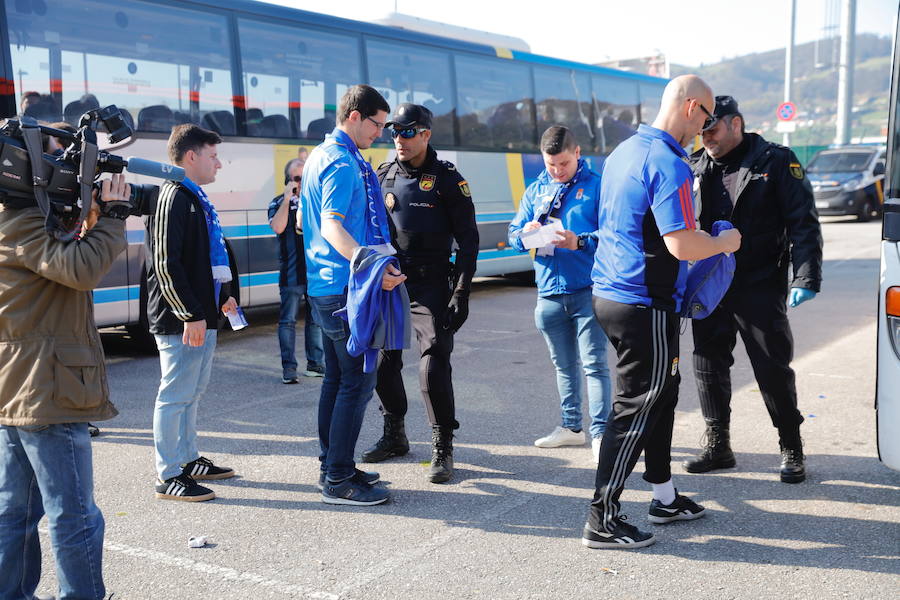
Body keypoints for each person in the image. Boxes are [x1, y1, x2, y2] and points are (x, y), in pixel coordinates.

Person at [582, 75, 742, 549]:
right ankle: (602, 519)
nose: (706, 128)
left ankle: (664, 495)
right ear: (692, 106)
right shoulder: (668, 163)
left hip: (612, 293)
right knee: (636, 406)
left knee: (661, 396)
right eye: (707, 117)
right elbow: (681, 244)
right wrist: (723, 242)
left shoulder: (622, 153)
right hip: (643, 302)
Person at [0, 173, 131, 600]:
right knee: (74, 514)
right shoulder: (23, 221)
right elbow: (81, 269)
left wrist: (87, 220)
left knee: (16, 512)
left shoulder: (18, 218)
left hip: (24, 388)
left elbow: (57, 270)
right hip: (47, 390)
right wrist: (112, 217)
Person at [683, 95, 823, 483]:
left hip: (759, 283)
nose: (705, 137)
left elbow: (803, 223)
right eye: (701, 130)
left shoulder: (775, 161)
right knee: (707, 363)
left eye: (711, 129)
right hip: (710, 284)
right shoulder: (694, 166)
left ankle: (791, 446)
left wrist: (805, 277)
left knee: (772, 367)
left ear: (735, 123)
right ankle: (718, 444)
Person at [362, 103, 479, 483]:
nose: (399, 138)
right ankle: (394, 433)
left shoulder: (447, 178)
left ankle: (442, 444)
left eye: (408, 131)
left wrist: (461, 290)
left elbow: (469, 239)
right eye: (394, 131)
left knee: (432, 362)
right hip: (392, 280)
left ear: (426, 134)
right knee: (381, 362)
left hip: (431, 282)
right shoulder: (383, 174)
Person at [301, 84, 405, 506]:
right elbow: (332, 227)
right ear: (355, 116)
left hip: (325, 286)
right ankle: (338, 479)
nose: (380, 133)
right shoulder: (343, 163)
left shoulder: (321, 156)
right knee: (357, 384)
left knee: (338, 381)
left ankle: (334, 463)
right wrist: (372, 267)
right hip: (345, 290)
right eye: (377, 124)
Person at [145, 124, 239, 502]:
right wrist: (189, 314)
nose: (219, 163)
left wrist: (224, 298)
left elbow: (207, 258)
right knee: (175, 393)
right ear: (191, 157)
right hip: (182, 319)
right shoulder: (174, 196)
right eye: (213, 155)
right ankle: (168, 473)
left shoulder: (195, 198)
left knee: (191, 391)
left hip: (202, 313)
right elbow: (166, 264)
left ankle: (187, 459)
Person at [508, 125, 612, 462]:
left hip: (587, 289)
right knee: (563, 366)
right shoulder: (537, 188)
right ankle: (571, 428)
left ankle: (601, 434)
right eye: (551, 164)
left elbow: (612, 234)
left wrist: (578, 241)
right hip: (548, 292)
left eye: (563, 163)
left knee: (594, 365)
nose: (557, 171)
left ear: (577, 153)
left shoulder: (597, 186)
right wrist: (525, 233)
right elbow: (512, 234)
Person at [268, 156, 325, 383]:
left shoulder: (314, 201)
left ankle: (315, 364)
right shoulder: (277, 203)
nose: (301, 183)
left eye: (305, 178)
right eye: (297, 178)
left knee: (315, 321)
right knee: (288, 321)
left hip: (314, 273)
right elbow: (278, 227)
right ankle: (289, 368)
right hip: (291, 274)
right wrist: (287, 199)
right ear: (288, 180)